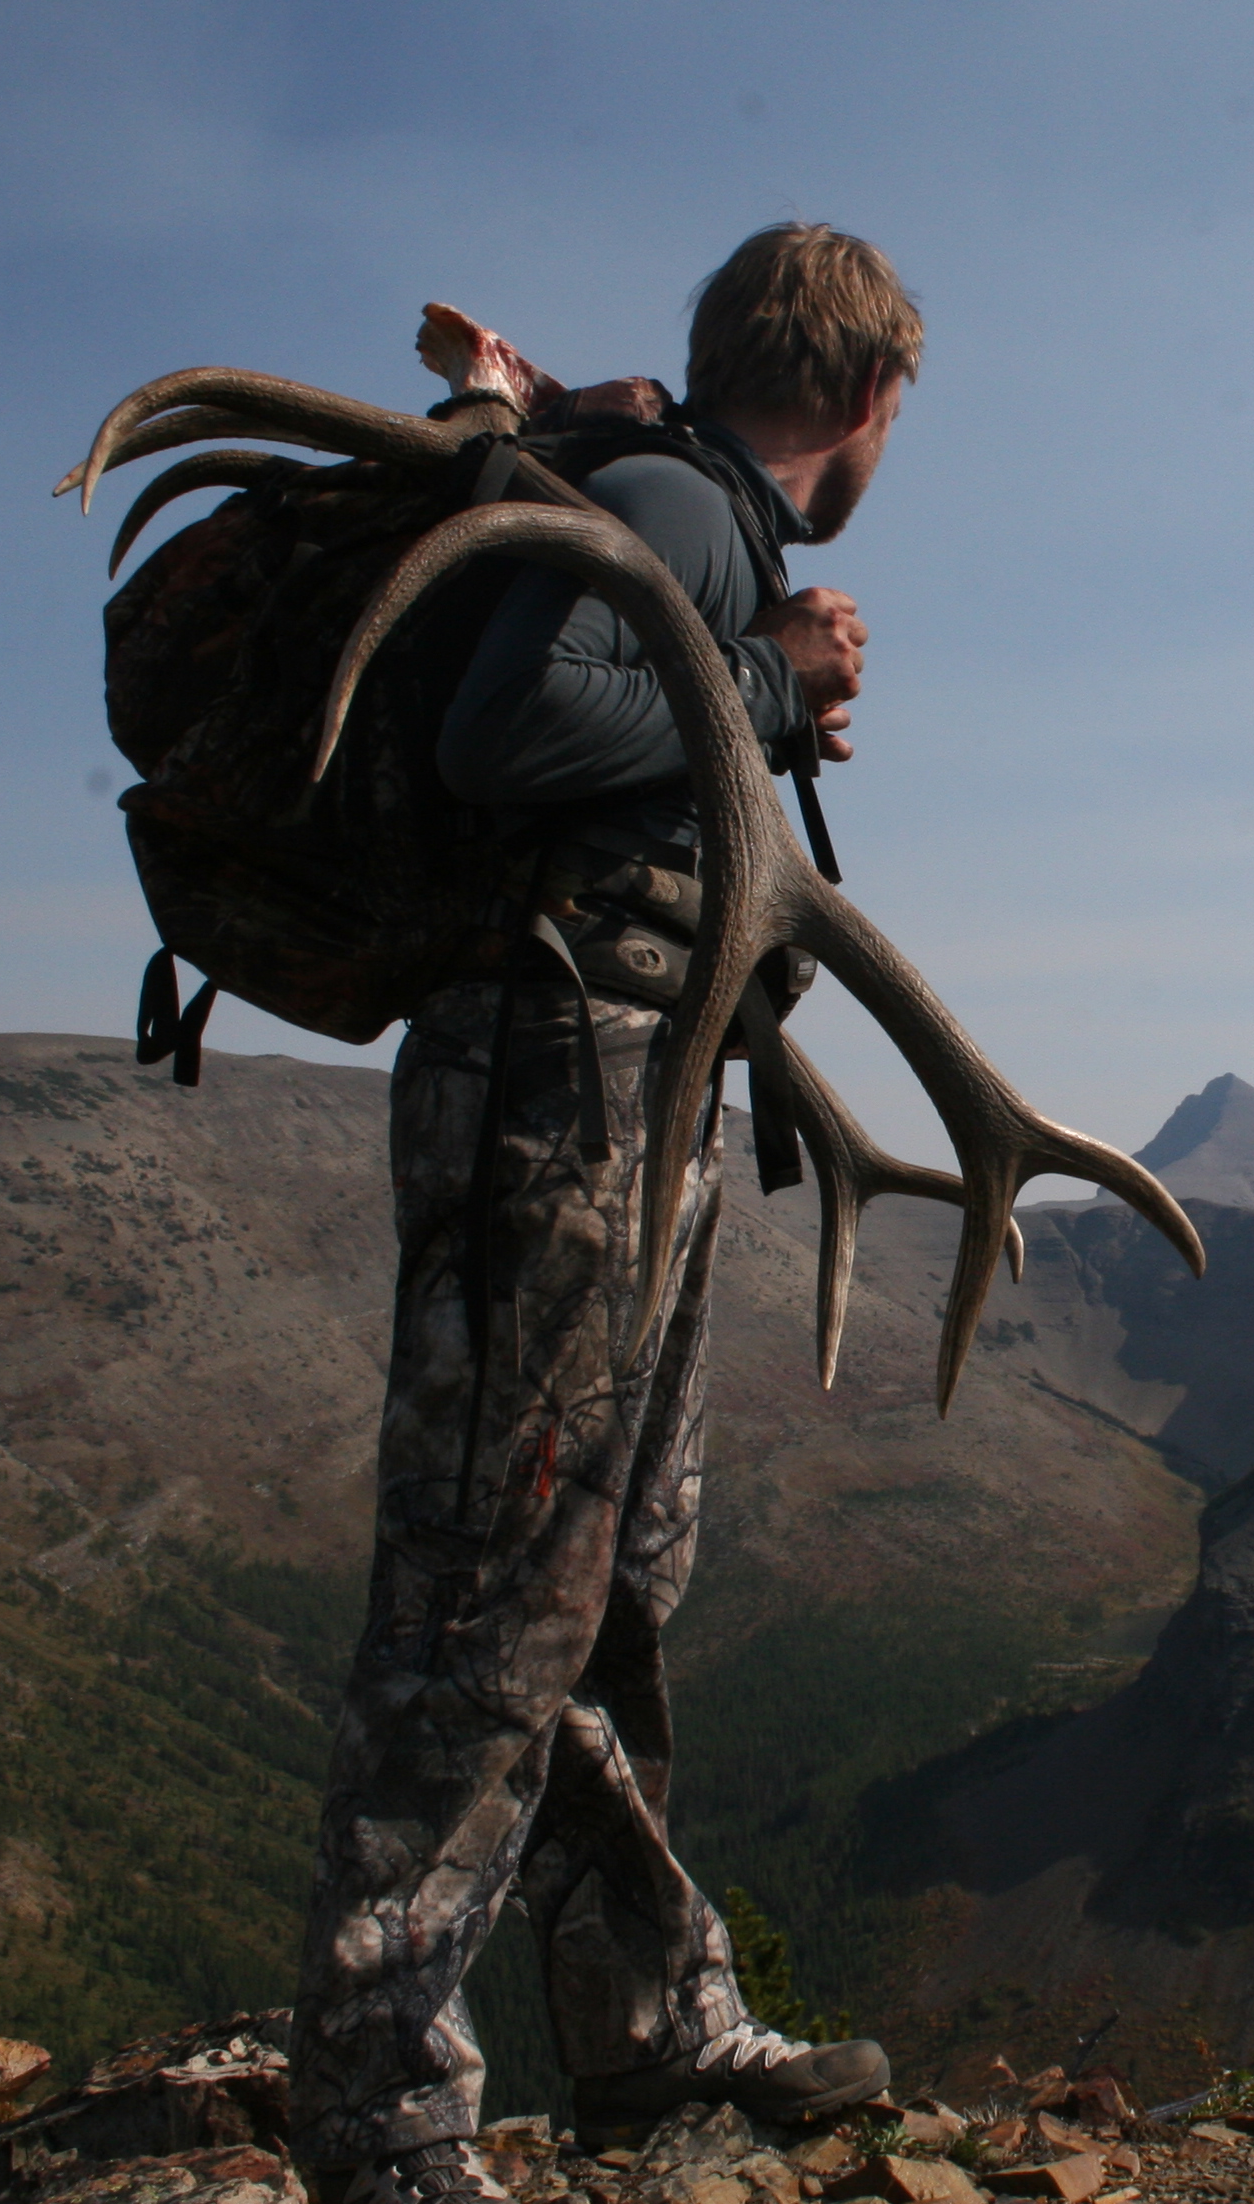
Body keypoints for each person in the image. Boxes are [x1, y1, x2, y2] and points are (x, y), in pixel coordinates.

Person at [287, 226, 917, 2204]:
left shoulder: (688, 507)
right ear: (872, 400)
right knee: (489, 1603)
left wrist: (759, 698)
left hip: (637, 1089)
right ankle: (383, 2111)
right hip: (555, 1093)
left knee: (615, 1585)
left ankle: (649, 2024)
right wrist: (766, 669)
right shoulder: (677, 512)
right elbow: (508, 731)